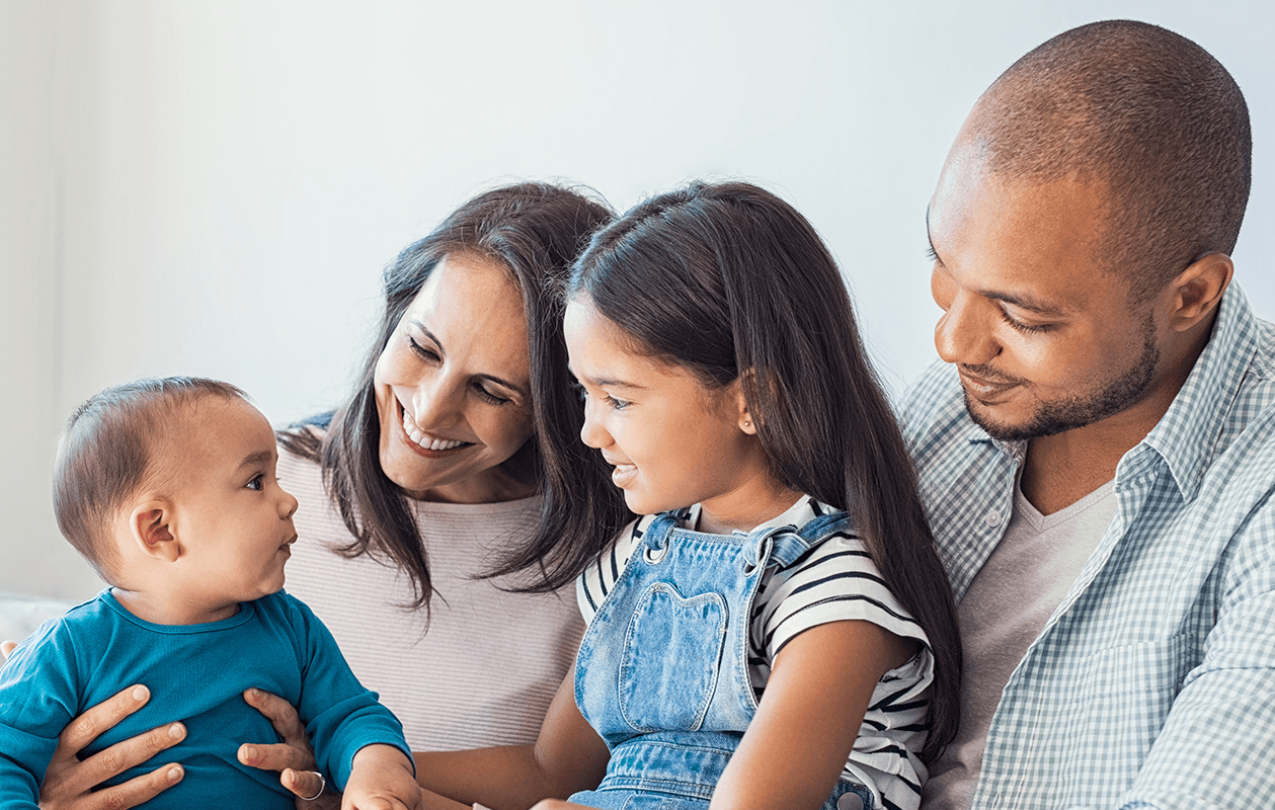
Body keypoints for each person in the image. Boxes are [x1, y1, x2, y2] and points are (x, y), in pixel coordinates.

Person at [9, 183, 631, 809]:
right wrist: (51, 783)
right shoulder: (244, 478)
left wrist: (341, 765)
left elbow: (557, 778)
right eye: (421, 347)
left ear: (561, 403)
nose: (431, 409)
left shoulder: (624, 558)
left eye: (493, 391)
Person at [407, 182, 962, 810]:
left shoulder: (834, 589)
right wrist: (377, 768)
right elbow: (550, 773)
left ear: (755, 400)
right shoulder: (639, 557)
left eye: (618, 399)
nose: (590, 431)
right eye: (583, 392)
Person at [906, 20, 1275, 810]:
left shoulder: (1259, 494)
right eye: (943, 267)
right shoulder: (953, 402)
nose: (953, 342)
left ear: (1190, 297)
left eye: (1024, 317)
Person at [0, 377, 418, 810]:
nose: (289, 499)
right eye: (257, 481)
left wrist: (376, 772)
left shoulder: (293, 629)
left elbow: (350, 717)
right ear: (160, 530)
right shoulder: (69, 649)